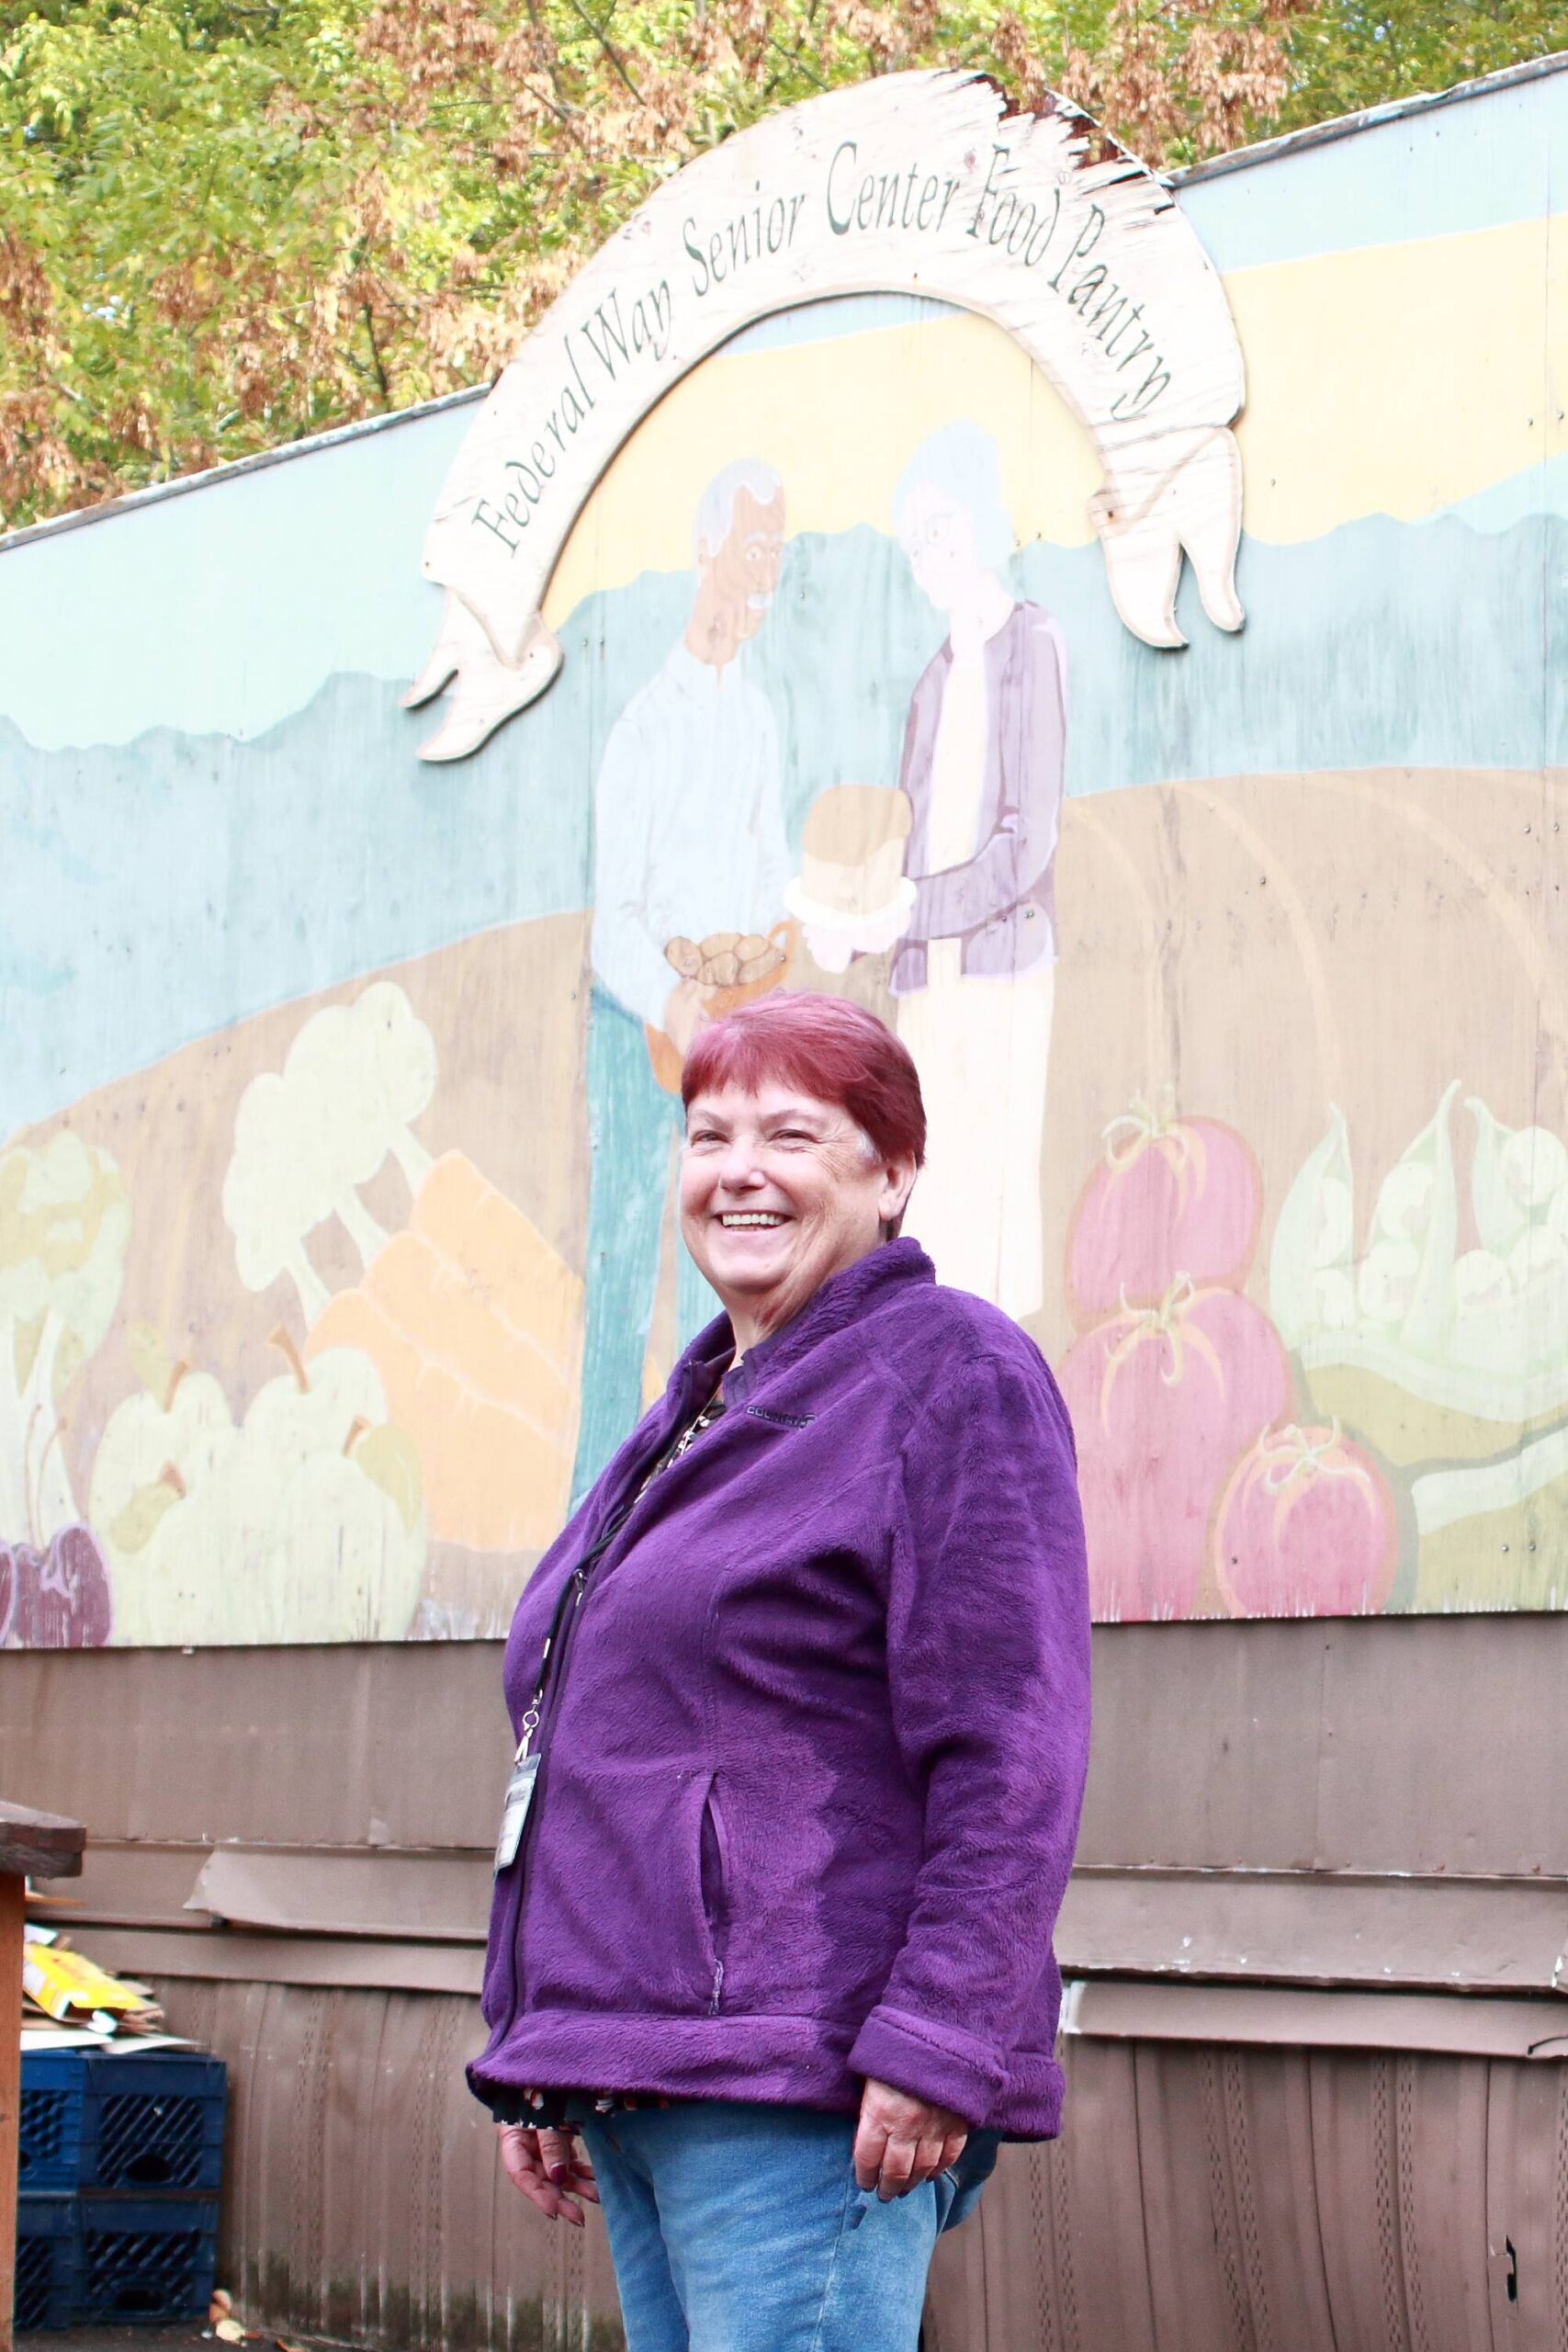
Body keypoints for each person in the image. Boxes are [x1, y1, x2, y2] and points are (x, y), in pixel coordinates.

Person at [475, 992, 1091, 2352]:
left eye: (791, 1133)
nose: (736, 1168)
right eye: (708, 1134)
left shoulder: (948, 1375)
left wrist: (939, 2040)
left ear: (891, 1174)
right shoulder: (697, 1410)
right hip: (655, 2070)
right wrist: (546, 2050)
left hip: (804, 2074)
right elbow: (594, 1738)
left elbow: (1010, 1745)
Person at [573, 457, 794, 1507]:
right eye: (753, 550)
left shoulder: (755, 721)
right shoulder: (643, 727)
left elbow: (764, 877)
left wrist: (776, 944)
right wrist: (673, 1004)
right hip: (637, 1031)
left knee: (741, 1276)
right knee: (624, 1281)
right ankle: (596, 1513)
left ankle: (707, 1503)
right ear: (708, 550)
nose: (765, 576)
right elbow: (612, 918)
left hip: (726, 1038)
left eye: (777, 557)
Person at [889, 421, 1067, 1323]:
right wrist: (873, 917)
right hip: (926, 985)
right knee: (926, 1211)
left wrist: (912, 908)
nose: (931, 554)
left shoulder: (1030, 646)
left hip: (1002, 971)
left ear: (985, 521)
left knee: (993, 1210)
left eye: (943, 527)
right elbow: (904, 836)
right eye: (915, 539)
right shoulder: (932, 681)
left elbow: (1025, 841)